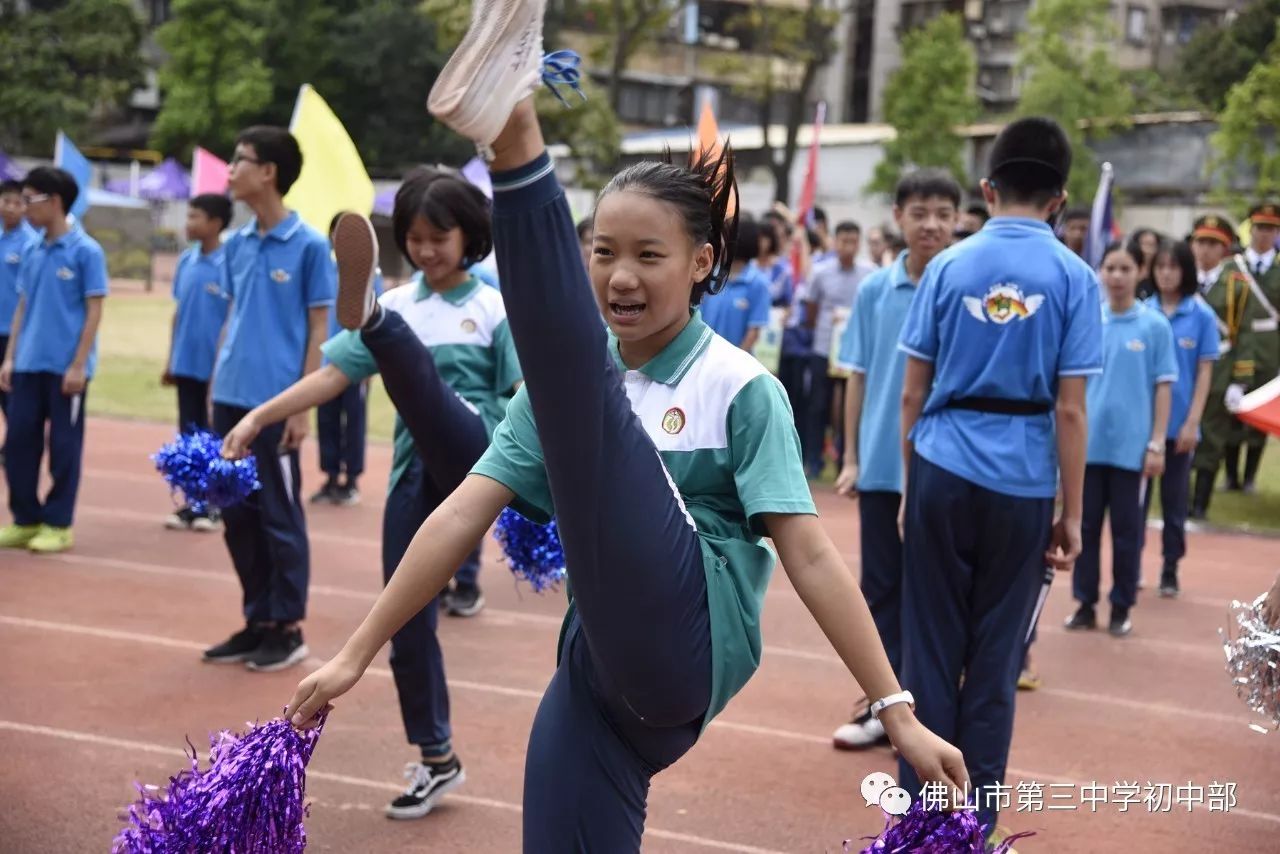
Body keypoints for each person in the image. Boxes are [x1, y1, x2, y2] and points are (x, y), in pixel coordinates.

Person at [284, 24, 966, 852]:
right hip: (600, 670)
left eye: (649, 255)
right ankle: (407, 295)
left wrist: (896, 710)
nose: (619, 276)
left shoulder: (741, 389)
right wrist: (356, 652)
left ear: (702, 261)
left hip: (692, 637)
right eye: (603, 252)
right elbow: (462, 512)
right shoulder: (563, 393)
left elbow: (813, 556)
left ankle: (517, 134)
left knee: (582, 392)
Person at [226, 169, 518, 814]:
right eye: (412, 239)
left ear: (468, 236)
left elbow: (524, 397)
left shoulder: (494, 307)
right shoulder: (413, 299)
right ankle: (437, 757)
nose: (425, 250)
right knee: (404, 618)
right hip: (417, 475)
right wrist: (260, 415)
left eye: (438, 237)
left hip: (482, 457)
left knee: (425, 385)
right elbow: (333, 375)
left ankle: (374, 324)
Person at [895, 116, 1101, 840]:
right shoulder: (1076, 278)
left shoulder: (949, 266)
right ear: (1059, 199)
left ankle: (917, 826)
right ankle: (971, 830)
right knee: (994, 664)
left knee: (926, 650)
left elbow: (912, 394)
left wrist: (910, 483)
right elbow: (1071, 413)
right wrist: (1071, 514)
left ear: (987, 188)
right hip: (1021, 480)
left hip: (943, 468)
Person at [831, 168, 960, 750]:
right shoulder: (874, 291)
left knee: (934, 590)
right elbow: (856, 376)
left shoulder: (964, 287)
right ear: (899, 217)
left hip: (944, 465)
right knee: (881, 588)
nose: (930, 224)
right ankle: (883, 708)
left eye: (941, 213)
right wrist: (853, 455)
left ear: (957, 219)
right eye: (919, 212)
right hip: (884, 463)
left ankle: (928, 709)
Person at [201, 126, 336, 673]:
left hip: (277, 405)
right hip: (229, 399)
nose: (229, 171)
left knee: (279, 516)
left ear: (269, 173)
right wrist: (215, 381)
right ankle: (257, 619)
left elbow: (318, 327)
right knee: (236, 518)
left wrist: (302, 407)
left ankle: (287, 627)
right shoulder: (235, 244)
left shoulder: (307, 245)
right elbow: (235, 317)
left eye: (240, 161)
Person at [1066, 243, 1175, 637]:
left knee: (1127, 534)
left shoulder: (1154, 325)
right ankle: (1084, 602)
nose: (1116, 276)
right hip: (1088, 449)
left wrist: (1157, 442)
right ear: (1100, 271)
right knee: (1084, 529)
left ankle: (1120, 606)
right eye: (1109, 267)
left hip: (1132, 453)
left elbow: (1164, 388)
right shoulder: (1088, 320)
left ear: (1139, 271)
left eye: (1125, 268)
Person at [0, 167, 109, 554]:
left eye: (32, 199)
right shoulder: (31, 248)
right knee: (17, 444)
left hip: (66, 370)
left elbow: (93, 311)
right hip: (28, 364)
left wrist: (79, 364)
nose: (24, 207)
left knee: (64, 447)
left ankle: (58, 522)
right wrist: (10, 357)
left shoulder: (86, 251)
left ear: (56, 201)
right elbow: (22, 306)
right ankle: (25, 518)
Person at [1142, 240, 1217, 596]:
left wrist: (1192, 422)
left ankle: (1170, 567)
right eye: (1160, 267)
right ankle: (1131, 565)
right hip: (1144, 426)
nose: (1166, 273)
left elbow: (1204, 372)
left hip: (1180, 426)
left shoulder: (1200, 315)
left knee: (1174, 501)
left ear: (1185, 271)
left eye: (1173, 267)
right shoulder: (1144, 311)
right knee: (1136, 503)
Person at [1189, 214, 1271, 519]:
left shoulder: (1235, 284)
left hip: (1220, 368)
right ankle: (1180, 498)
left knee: (1210, 436)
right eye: (1201, 242)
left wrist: (1240, 380)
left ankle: (1200, 504)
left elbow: (1245, 334)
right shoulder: (1181, 278)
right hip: (1184, 367)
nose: (1206, 250)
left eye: (1213, 244)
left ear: (1224, 249)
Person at [161, 193, 233, 532]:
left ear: (216, 223)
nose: (187, 223)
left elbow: (232, 319)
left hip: (215, 369)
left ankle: (215, 505)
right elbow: (178, 313)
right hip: (186, 363)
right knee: (188, 437)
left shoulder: (228, 264)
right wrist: (170, 358)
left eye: (195, 217)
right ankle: (192, 503)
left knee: (214, 437)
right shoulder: (186, 261)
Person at [310, 212, 382, 508]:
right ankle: (329, 476)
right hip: (326, 361)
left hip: (355, 363)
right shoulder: (322, 269)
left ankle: (351, 479)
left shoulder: (370, 273)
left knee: (353, 420)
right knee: (326, 420)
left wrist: (369, 364)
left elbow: (376, 316)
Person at [802, 221, 875, 476]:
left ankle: (847, 460)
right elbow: (810, 311)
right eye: (843, 241)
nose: (848, 247)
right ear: (834, 241)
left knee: (850, 406)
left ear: (859, 243)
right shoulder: (821, 272)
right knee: (818, 404)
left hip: (853, 350)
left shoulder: (869, 273)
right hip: (823, 347)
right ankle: (813, 460)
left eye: (853, 241)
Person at [1218, 204, 1280, 495]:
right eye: (1259, 227)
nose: (1264, 234)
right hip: (1237, 345)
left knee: (1259, 414)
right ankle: (1230, 475)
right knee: (1233, 409)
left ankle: (1250, 477)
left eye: (1270, 228)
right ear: (1250, 229)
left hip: (1270, 347)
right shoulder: (1233, 267)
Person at [699, 218, 771, 351]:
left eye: (723, 237)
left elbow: (753, 331)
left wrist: (733, 364)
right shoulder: (709, 275)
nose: (718, 242)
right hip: (703, 358)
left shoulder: (757, 283)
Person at [0, 180, 38, 422]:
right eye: (6, 201)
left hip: (14, 331)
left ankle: (16, 444)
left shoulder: (31, 243)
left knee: (11, 392)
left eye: (18, 203)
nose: (11, 207)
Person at [1128, 227, 1161, 299]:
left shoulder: (1160, 272)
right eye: (1144, 244)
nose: (1147, 250)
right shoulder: (1127, 269)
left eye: (1152, 245)